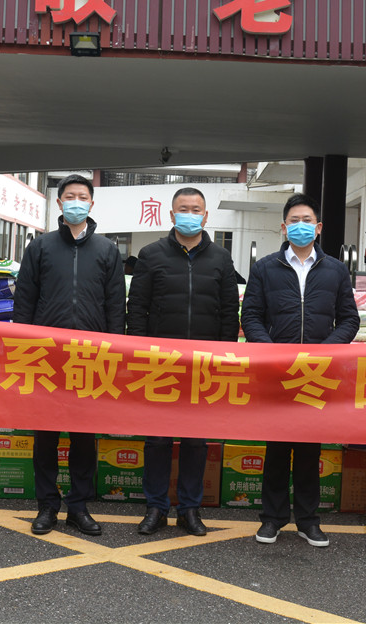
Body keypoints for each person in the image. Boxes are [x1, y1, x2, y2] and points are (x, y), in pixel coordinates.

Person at [241, 192, 359, 548]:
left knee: (310, 451)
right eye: (294, 221)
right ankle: (272, 519)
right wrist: (272, 352)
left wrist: (325, 352)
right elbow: (251, 316)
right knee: (276, 450)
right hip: (277, 372)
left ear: (318, 227)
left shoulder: (336, 269)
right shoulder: (265, 268)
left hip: (317, 374)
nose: (301, 226)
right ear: (283, 227)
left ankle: (308, 520)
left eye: (307, 221)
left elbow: (349, 319)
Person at [12, 174, 125, 537]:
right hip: (45, 356)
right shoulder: (40, 247)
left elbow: (115, 305)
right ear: (59, 203)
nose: (76, 201)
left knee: (83, 437)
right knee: (45, 435)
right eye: (70, 196)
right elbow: (24, 300)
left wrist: (115, 350)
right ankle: (47, 505)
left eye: (83, 196)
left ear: (91, 203)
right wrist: (23, 345)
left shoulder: (107, 250)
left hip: (91, 357)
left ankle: (78, 506)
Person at [126, 187, 240, 537]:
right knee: (157, 440)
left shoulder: (221, 258)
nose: (189, 214)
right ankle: (156, 508)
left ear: (205, 216)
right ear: (171, 214)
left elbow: (228, 312)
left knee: (195, 441)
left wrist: (224, 357)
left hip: (204, 365)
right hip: (160, 364)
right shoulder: (151, 255)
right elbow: (137, 308)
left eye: (196, 209)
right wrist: (140, 352)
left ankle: (190, 509)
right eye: (183, 209)